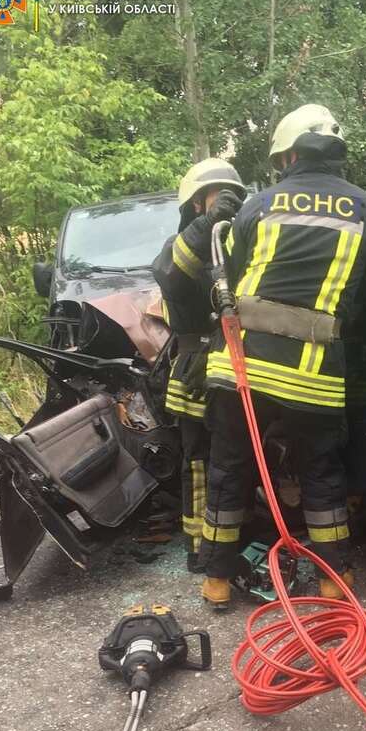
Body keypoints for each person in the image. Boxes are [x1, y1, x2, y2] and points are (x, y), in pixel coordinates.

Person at [198, 104, 366, 610]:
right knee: (321, 473)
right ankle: (334, 578)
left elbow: (231, 280)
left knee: (229, 469)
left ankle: (216, 581)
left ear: (289, 156)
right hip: (313, 375)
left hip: (240, 366)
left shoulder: (257, 205)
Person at [152, 159, 246, 570]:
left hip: (235, 367)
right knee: (198, 463)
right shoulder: (179, 247)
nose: (228, 201)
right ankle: (197, 546)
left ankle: (237, 537)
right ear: (194, 205)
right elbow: (172, 277)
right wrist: (207, 223)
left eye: (233, 195)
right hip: (194, 371)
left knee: (236, 459)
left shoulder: (237, 247)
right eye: (216, 195)